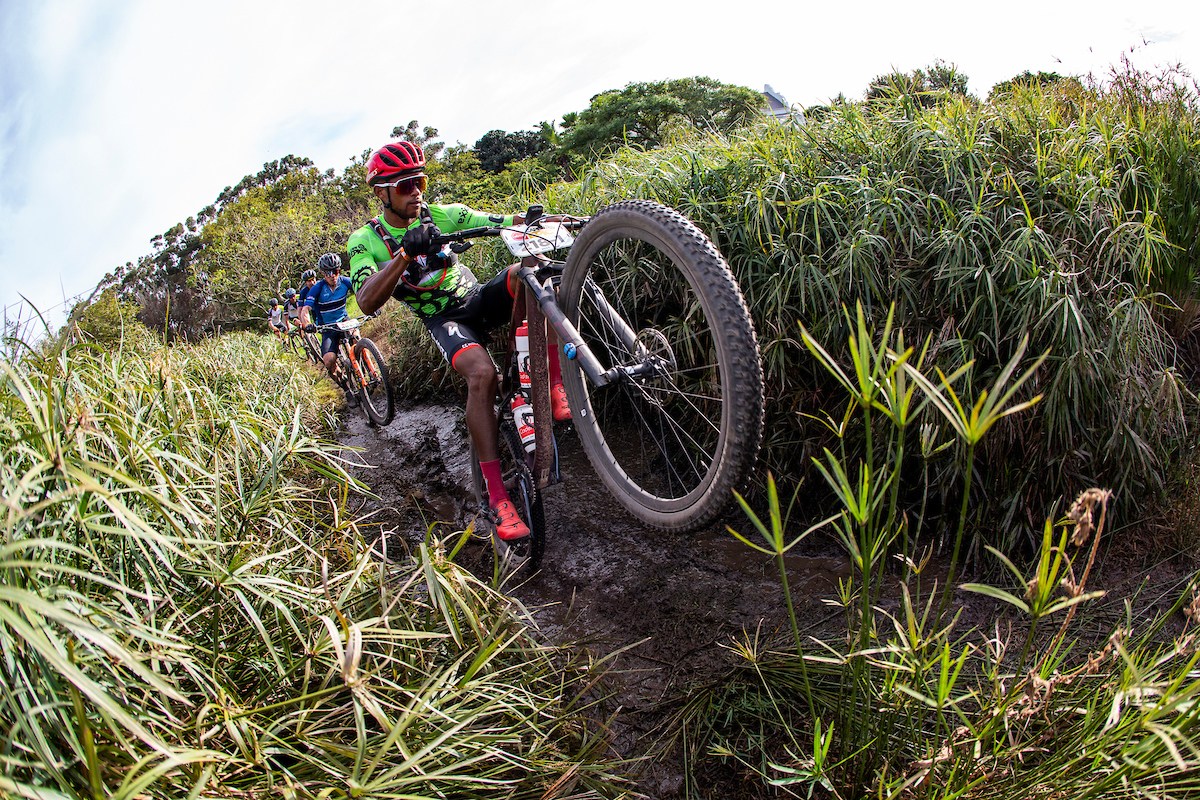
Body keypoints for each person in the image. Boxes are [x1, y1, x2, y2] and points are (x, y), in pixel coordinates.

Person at [349, 140, 569, 544]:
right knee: (482, 376)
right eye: (405, 185)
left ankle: (551, 385)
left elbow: (507, 220)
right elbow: (365, 299)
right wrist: (402, 255)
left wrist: (552, 222)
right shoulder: (366, 240)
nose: (416, 191)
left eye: (420, 181)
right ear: (382, 193)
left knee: (529, 274)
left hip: (476, 300)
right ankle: (498, 498)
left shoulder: (442, 215)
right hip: (445, 321)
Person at [299, 253, 358, 406]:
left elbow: (362, 292)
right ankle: (346, 389)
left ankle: (367, 368)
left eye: (336, 271)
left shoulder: (345, 281)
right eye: (329, 273)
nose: (333, 276)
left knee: (357, 337)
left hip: (344, 320)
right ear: (323, 274)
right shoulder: (317, 288)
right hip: (328, 327)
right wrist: (307, 324)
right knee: (328, 361)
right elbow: (305, 310)